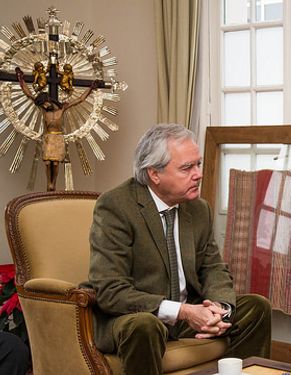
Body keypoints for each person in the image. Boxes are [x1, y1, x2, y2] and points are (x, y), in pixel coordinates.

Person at [84, 124, 271, 374]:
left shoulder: (198, 208)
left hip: (186, 313)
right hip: (134, 317)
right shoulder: (116, 207)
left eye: (198, 164)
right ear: (154, 174)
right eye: (187, 168)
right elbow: (110, 291)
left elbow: (213, 268)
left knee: (257, 308)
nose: (198, 174)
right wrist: (184, 312)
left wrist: (219, 309)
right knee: (144, 326)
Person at [15, 67, 102, 191]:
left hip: (58, 137)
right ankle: (48, 183)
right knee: (47, 162)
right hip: (48, 137)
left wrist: (91, 88)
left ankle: (53, 183)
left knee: (55, 163)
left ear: (48, 100)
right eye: (42, 105)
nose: (44, 106)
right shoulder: (44, 109)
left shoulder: (62, 108)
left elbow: (80, 99)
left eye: (44, 104)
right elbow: (28, 94)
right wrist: (20, 79)